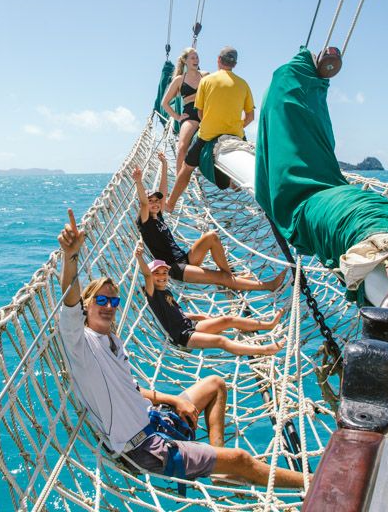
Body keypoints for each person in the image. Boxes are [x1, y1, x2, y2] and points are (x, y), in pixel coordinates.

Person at [56, 209, 306, 489]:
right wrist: (70, 256)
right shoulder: (80, 342)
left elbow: (133, 389)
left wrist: (175, 400)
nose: (109, 306)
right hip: (144, 447)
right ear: (86, 305)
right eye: (101, 300)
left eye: (114, 302)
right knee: (242, 459)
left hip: (155, 418)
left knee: (215, 384)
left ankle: (220, 467)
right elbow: (69, 300)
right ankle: (314, 482)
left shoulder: (113, 342)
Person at [132, 153, 286, 292]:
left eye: (157, 201)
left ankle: (231, 278)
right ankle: (267, 286)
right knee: (221, 278)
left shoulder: (157, 215)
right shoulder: (145, 222)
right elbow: (145, 204)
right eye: (150, 201)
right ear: (143, 204)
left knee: (211, 236)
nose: (155, 203)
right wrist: (139, 182)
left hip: (185, 258)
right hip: (175, 268)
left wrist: (164, 165)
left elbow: (163, 192)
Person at [135, 244, 288, 355]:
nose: (161, 276)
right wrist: (139, 257)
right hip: (183, 335)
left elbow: (175, 313)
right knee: (221, 342)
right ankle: (265, 350)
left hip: (190, 324)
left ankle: (268, 325)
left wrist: (199, 317)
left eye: (164, 273)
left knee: (227, 320)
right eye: (157, 274)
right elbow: (147, 275)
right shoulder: (153, 294)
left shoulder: (166, 291)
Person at [166, 46, 255, 212]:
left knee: (186, 169)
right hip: (236, 135)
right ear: (234, 64)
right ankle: (233, 184)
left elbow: (199, 112)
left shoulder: (206, 81)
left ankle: (170, 204)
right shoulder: (244, 84)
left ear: (218, 61)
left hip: (208, 135)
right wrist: (235, 126)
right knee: (235, 180)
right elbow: (250, 117)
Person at [161, 47, 208, 172]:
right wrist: (177, 117)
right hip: (190, 116)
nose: (196, 60)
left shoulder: (206, 75)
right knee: (182, 148)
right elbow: (164, 103)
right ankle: (179, 180)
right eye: (192, 57)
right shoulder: (179, 80)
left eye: (197, 57)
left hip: (206, 114)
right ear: (185, 61)